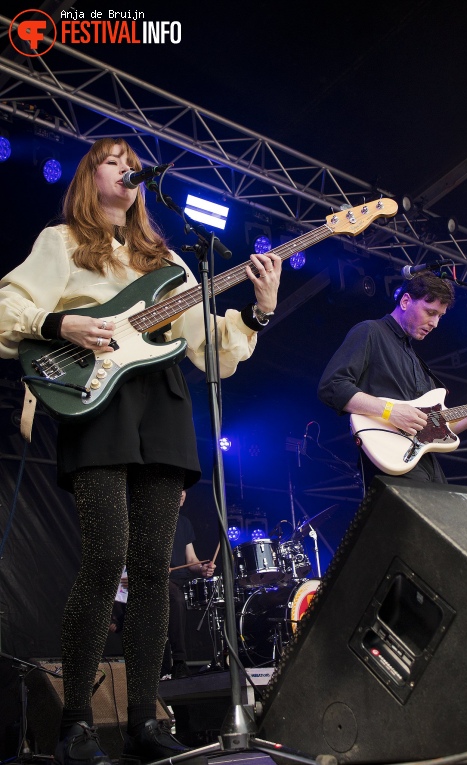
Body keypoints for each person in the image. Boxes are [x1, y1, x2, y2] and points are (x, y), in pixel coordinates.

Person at [0, 137, 281, 765]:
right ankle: (74, 722)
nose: (126, 168)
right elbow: (7, 306)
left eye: (132, 161)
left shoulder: (171, 261)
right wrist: (60, 323)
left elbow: (208, 347)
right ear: (88, 176)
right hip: (97, 399)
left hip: (163, 404)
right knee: (106, 563)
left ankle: (143, 725)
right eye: (111, 159)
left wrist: (259, 313)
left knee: (154, 574)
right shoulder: (62, 242)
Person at [318, 271, 467, 488]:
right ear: (406, 301)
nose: (435, 323)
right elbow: (332, 386)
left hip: (425, 463)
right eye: (430, 312)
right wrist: (390, 411)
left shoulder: (415, 360)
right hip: (390, 460)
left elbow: (433, 429)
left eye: (440, 316)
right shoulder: (371, 331)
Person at [160, 490, 216, 680]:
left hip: (182, 579)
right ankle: (179, 661)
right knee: (175, 597)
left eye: (184, 490)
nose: (182, 494)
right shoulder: (155, 519)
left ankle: (218, 658)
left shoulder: (183, 522)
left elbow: (191, 559)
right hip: (160, 580)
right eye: (178, 489)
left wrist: (202, 569)